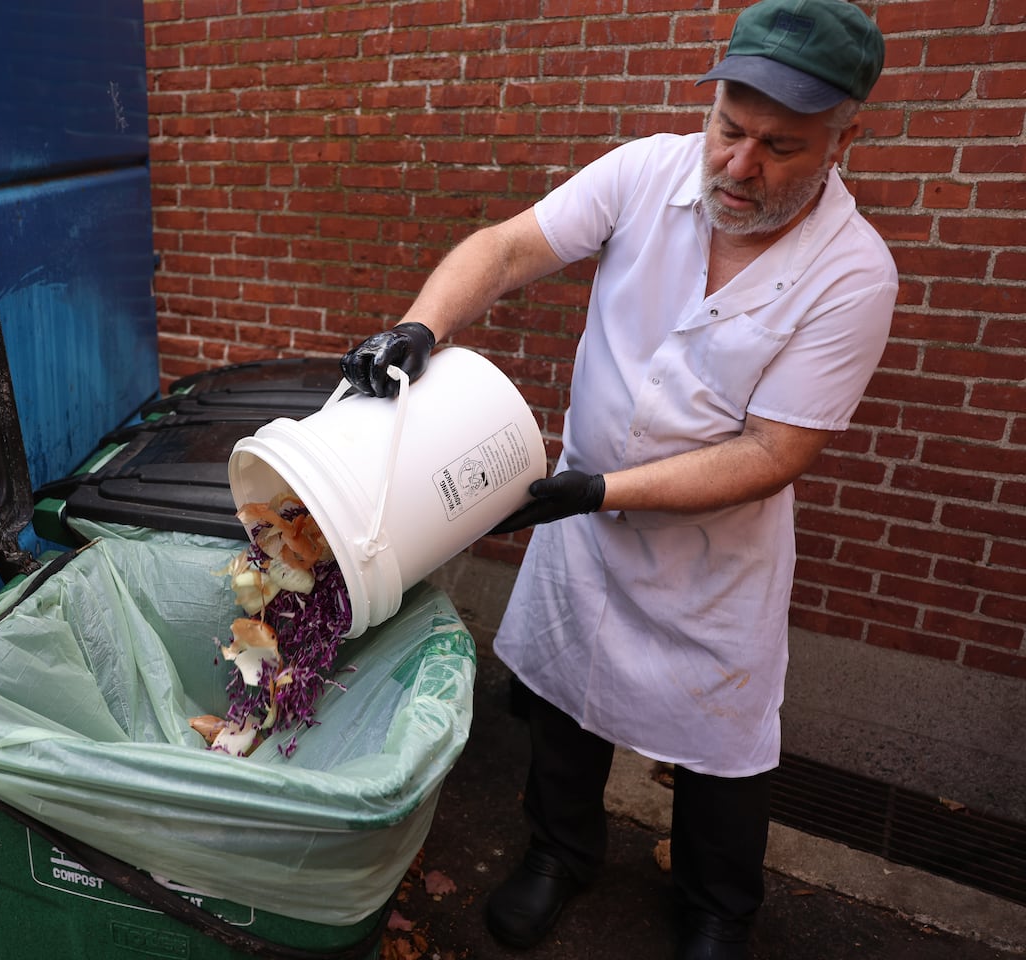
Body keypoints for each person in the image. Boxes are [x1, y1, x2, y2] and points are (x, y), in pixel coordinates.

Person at [338, 1, 895, 957]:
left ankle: (719, 906)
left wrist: (602, 491)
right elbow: (511, 247)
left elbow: (773, 453)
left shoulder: (852, 274)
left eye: (780, 146)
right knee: (564, 696)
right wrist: (421, 327)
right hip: (587, 528)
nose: (737, 165)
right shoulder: (648, 172)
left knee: (723, 747)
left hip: (713, 558)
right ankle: (559, 855)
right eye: (729, 127)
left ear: (847, 138)